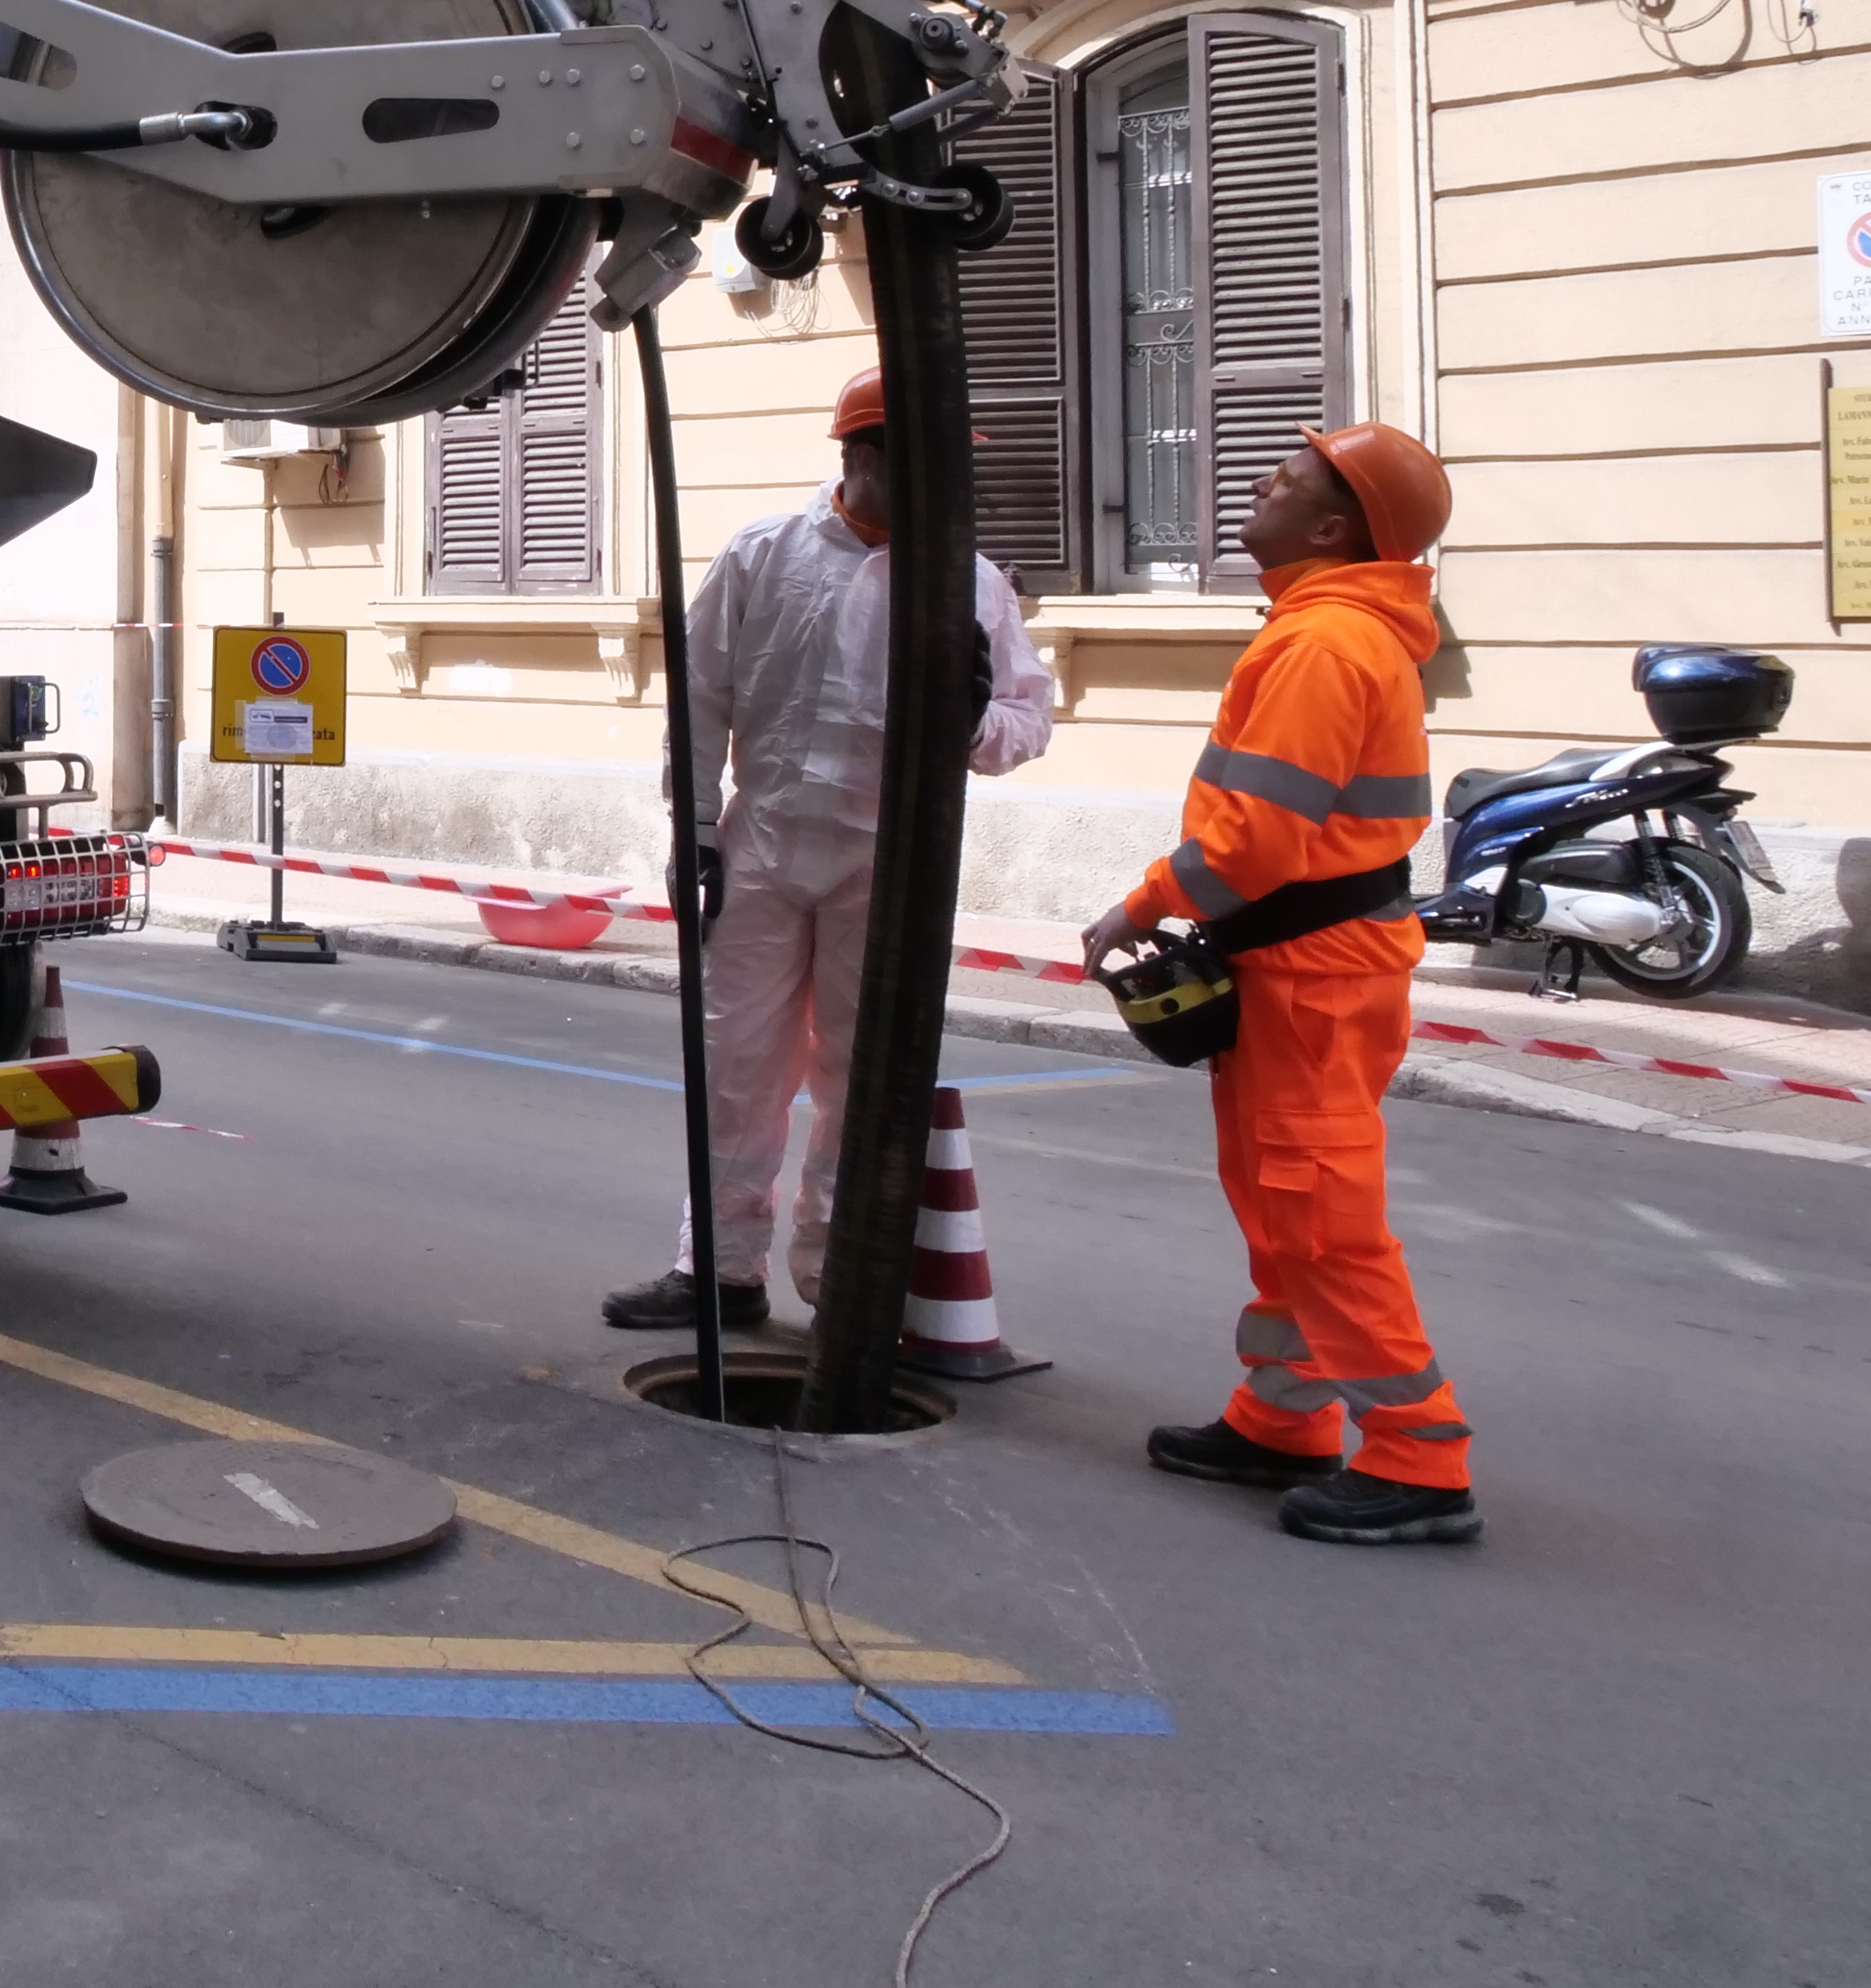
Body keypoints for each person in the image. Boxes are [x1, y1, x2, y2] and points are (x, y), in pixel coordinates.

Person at [1083, 422, 1475, 1546]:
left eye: (1291, 477)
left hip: (1310, 967)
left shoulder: (1321, 648)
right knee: (1280, 1205)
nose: (1262, 479)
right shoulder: (1329, 633)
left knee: (1319, 1215)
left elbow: (1253, 840)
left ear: (1333, 527)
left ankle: (1420, 1458)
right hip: (1308, 961)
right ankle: (1284, 1417)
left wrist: (1146, 901)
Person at [605, 368, 1052, 1330]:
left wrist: (974, 721)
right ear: (860, 458)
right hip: (763, 847)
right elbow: (702, 698)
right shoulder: (764, 555)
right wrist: (696, 833)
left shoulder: (969, 583)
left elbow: (1023, 721)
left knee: (862, 1078)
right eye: (917, 459)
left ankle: (838, 1278)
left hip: (888, 867)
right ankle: (717, 1270)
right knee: (736, 1067)